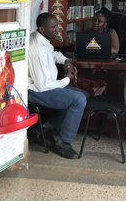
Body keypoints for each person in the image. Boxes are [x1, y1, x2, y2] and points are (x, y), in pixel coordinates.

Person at [28, 13, 89, 159]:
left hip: (47, 86)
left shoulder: (41, 39)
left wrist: (66, 61)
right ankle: (63, 144)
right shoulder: (37, 48)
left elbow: (53, 54)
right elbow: (44, 86)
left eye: (57, 25)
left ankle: (45, 128)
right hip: (37, 91)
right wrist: (67, 79)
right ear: (42, 29)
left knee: (84, 95)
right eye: (53, 27)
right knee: (78, 100)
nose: (58, 29)